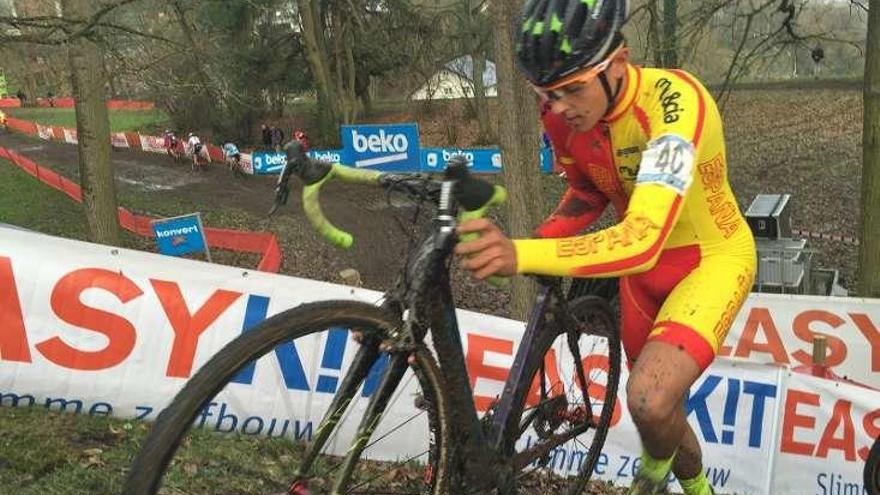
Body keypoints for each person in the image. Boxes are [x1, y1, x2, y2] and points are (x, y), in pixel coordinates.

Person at [454, 1, 756, 495]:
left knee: (649, 400)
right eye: (546, 94)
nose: (560, 106)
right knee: (660, 414)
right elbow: (590, 192)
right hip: (642, 276)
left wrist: (520, 255)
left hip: (710, 260)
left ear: (619, 62)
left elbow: (642, 236)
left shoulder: (674, 103)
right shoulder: (561, 118)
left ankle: (654, 485)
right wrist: (534, 241)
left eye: (573, 88)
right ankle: (690, 483)